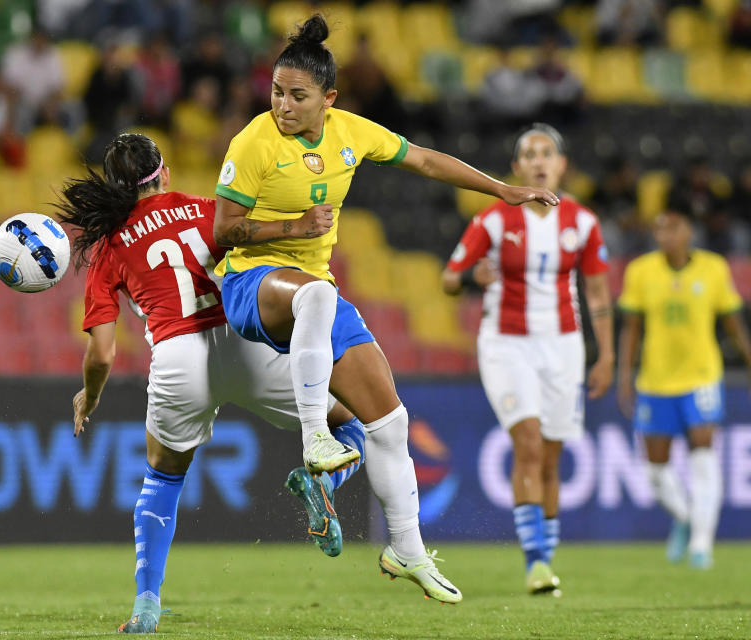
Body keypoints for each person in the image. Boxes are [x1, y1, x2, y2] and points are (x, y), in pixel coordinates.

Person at [212, 14, 558, 604]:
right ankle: (316, 436)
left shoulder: (351, 132)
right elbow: (221, 233)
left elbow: (423, 160)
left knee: (390, 422)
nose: (283, 106)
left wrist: (500, 189)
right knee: (319, 295)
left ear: (330, 99)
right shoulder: (252, 143)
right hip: (251, 283)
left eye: (298, 96)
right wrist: (293, 225)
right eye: (276, 92)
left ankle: (407, 550)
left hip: (312, 291)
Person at [56, 133, 366, 634]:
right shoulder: (205, 209)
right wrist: (299, 224)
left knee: (162, 480)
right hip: (243, 342)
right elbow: (260, 238)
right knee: (354, 425)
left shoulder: (109, 245)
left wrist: (88, 397)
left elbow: (104, 352)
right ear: (164, 172)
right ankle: (321, 481)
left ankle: (147, 604)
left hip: (178, 360)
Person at [442, 123, 613, 595]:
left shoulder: (583, 222)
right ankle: (536, 562)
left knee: (553, 455)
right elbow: (448, 279)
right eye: (529, 154)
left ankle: (545, 559)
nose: (539, 161)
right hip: (505, 342)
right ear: (517, 168)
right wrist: (472, 276)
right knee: (530, 443)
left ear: (561, 165)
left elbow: (597, 291)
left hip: (564, 344)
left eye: (548, 153)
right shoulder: (493, 220)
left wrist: (608, 355)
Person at [617, 207, 751, 569]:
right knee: (656, 473)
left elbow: (732, 321)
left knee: (703, 457)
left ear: (688, 230)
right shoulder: (640, 271)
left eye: (673, 228)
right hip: (656, 381)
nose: (665, 236)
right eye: (659, 230)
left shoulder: (713, 268)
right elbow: (631, 328)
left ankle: (701, 544)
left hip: (701, 377)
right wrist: (624, 375)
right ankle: (687, 517)